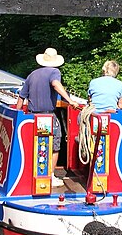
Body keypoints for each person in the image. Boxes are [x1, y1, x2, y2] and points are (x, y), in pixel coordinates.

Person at [16, 47, 78, 187]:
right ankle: (50, 175)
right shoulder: (55, 72)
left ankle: (33, 173)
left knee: (35, 145)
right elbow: (55, 84)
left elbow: (21, 98)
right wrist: (70, 100)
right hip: (48, 117)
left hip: (32, 117)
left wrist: (16, 115)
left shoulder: (32, 74)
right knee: (55, 146)